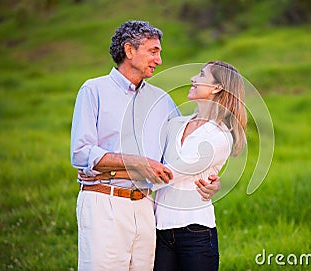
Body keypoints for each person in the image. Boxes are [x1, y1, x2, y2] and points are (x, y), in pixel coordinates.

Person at [70, 21, 220, 271]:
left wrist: (213, 180)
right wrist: (137, 163)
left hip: (146, 207)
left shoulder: (162, 100)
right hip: (104, 203)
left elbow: (178, 152)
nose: (159, 60)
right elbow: (81, 152)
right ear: (129, 51)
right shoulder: (93, 90)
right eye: (153, 51)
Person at [153, 61, 247, 271]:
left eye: (201, 75)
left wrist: (117, 177)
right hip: (159, 229)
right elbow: (153, 158)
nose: (193, 79)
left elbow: (171, 173)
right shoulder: (175, 124)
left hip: (195, 233)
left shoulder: (221, 136)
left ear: (216, 87)